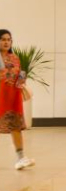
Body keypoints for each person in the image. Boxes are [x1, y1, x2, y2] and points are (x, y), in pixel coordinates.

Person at [0, 29, 35, 170]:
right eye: (3, 39)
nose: (6, 42)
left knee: (16, 127)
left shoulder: (15, 57)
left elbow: (19, 74)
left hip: (13, 96)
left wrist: (21, 80)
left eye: (9, 39)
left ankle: (21, 158)